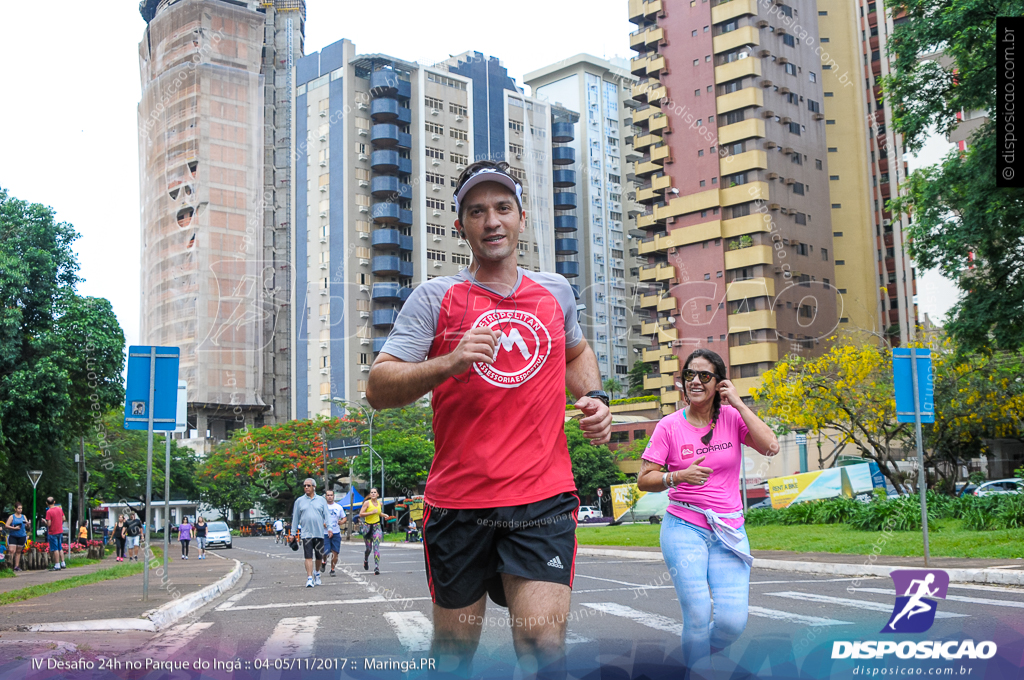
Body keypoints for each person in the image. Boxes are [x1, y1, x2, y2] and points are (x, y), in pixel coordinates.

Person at [366, 160, 611, 678]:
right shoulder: (435, 298)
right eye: (477, 212)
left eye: (503, 208)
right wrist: (450, 361)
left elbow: (575, 352)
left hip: (541, 496)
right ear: (460, 227)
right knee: (455, 653)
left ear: (522, 217)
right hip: (460, 502)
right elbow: (378, 389)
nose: (492, 221)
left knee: (543, 641)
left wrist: (597, 398)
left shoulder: (555, 291)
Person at [637, 349, 779, 677]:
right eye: (690, 375)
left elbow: (770, 445)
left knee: (732, 622)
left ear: (719, 383)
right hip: (684, 527)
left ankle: (692, 657)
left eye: (705, 376)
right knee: (698, 616)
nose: (696, 381)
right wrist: (677, 476)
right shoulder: (668, 427)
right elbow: (645, 479)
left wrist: (739, 404)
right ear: (682, 383)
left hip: (728, 529)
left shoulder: (732, 419)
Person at [290, 478, 328, 588]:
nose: (306, 487)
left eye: (308, 485)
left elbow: (327, 516)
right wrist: (293, 533)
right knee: (308, 556)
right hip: (306, 534)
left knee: (319, 556)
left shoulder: (321, 500)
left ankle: (317, 573)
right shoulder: (299, 501)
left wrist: (329, 528)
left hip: (319, 533)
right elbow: (295, 519)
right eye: (304, 485)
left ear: (314, 487)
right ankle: (309, 578)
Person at [357, 488, 389, 575]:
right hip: (367, 527)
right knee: (368, 548)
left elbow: (378, 513)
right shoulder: (367, 503)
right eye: (372, 492)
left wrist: (384, 515)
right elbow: (361, 514)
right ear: (370, 494)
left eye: (375, 492)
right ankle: (366, 559)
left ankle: (376, 567)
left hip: (377, 527)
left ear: (378, 494)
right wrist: (371, 512)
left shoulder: (379, 503)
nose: (373, 494)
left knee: (376, 547)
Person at [323, 490, 346, 577]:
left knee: (335, 552)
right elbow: (318, 519)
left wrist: (342, 522)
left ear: (334, 496)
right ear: (325, 497)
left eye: (331, 495)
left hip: (336, 532)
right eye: (328, 495)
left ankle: (332, 569)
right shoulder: (322, 507)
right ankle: (324, 561)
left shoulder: (338, 507)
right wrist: (323, 524)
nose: (329, 497)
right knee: (325, 552)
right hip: (325, 533)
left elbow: (344, 517)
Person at [5, 502, 29, 572]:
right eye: (19, 508)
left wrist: (28, 524)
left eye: (21, 508)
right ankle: (9, 565)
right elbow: (6, 525)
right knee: (11, 550)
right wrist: (14, 528)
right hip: (13, 535)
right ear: (15, 509)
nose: (20, 510)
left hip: (22, 535)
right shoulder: (12, 517)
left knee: (18, 551)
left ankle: (16, 566)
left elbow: (27, 526)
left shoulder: (23, 516)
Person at [44, 497, 66, 571]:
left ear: (47, 503)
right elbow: (64, 518)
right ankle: (63, 562)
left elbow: (49, 524)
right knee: (60, 547)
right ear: (54, 502)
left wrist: (45, 522)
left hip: (52, 532)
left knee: (55, 548)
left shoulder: (49, 512)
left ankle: (57, 564)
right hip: (60, 530)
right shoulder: (60, 509)